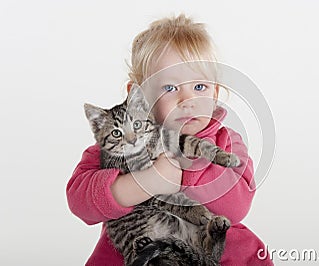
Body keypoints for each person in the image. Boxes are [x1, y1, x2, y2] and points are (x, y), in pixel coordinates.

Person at [66, 14, 273, 266]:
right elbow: (79, 201)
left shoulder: (227, 141)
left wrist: (180, 176)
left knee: (246, 253)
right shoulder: (117, 146)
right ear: (139, 97)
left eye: (199, 87)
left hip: (208, 245)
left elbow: (235, 207)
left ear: (215, 92)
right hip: (139, 247)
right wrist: (144, 183)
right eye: (170, 88)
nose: (187, 100)